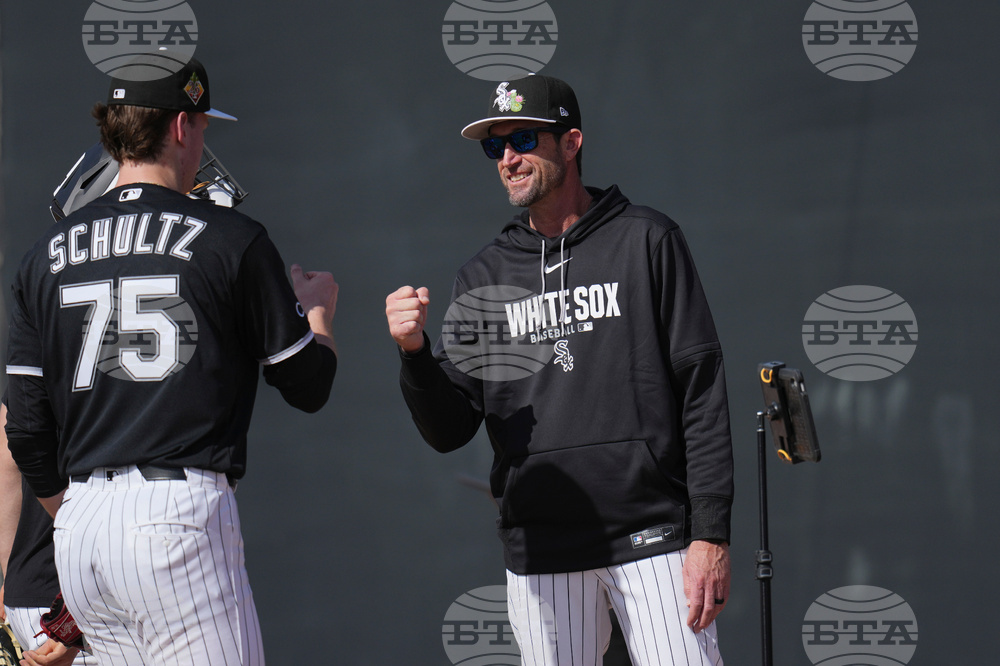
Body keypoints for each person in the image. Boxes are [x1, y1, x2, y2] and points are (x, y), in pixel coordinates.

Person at [386, 74, 733, 665]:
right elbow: (449, 430)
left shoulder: (646, 239)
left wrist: (711, 534)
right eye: (495, 147)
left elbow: (701, 390)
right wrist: (414, 351)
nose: (509, 159)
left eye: (523, 139)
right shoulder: (483, 276)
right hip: (542, 548)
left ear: (571, 143)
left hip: (653, 537)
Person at [5, 54, 338, 666]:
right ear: (181, 126)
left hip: (79, 528)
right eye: (203, 124)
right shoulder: (230, 237)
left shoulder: (41, 257)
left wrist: (74, 510)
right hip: (174, 515)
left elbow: (25, 430)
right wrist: (317, 315)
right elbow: (306, 385)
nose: (203, 137)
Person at [2, 402, 94, 666]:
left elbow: (9, 452)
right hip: (71, 602)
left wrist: (12, 570)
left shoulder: (42, 360)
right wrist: (69, 628)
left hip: (32, 588)